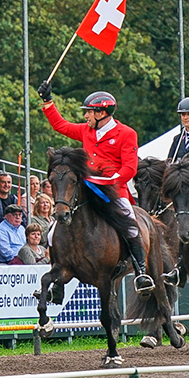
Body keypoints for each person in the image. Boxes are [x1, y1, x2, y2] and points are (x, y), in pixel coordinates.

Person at [37, 82, 152, 289]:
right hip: (87, 192)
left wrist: (110, 180)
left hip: (114, 192)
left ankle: (141, 272)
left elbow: (130, 168)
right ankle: (58, 281)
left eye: (89, 112)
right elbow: (60, 125)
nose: (85, 117)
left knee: (132, 226)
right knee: (54, 231)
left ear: (102, 113)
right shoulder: (86, 130)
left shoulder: (126, 133)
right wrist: (48, 101)